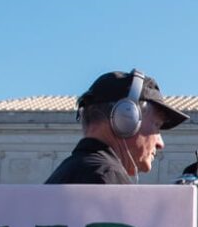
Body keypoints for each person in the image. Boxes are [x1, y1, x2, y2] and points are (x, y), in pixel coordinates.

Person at [46, 69, 189, 184]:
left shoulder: (62, 174)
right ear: (126, 119)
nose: (160, 143)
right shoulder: (108, 177)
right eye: (157, 125)